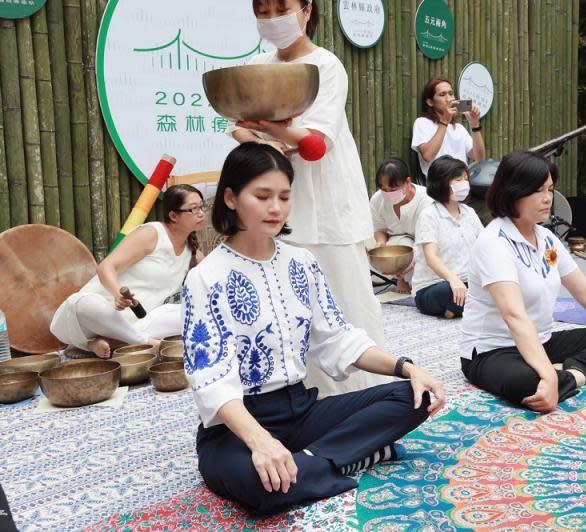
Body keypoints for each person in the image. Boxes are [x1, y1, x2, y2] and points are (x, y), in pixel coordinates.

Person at [182, 143, 445, 515]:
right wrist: (260, 441)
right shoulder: (205, 278)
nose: (276, 207)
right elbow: (208, 378)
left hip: (303, 410)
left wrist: (408, 368)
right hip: (237, 428)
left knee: (413, 397)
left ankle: (311, 464)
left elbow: (338, 338)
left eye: (285, 196)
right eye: (263, 196)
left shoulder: (302, 263)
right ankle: (348, 457)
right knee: (263, 487)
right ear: (230, 197)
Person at [228, 0, 388, 395]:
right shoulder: (255, 67)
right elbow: (237, 130)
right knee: (288, 311)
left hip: (327, 205)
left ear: (306, 10)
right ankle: (303, 402)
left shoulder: (326, 66)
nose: (272, 20)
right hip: (277, 203)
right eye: (262, 12)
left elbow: (316, 146)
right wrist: (266, 141)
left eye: (281, 9)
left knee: (346, 307)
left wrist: (273, 131)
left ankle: (365, 400)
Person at [460, 151, 586, 413]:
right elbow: (513, 315)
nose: (547, 198)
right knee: (531, 383)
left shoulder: (547, 238)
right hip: (492, 351)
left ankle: (566, 373)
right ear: (512, 192)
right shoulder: (493, 242)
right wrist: (548, 376)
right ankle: (575, 374)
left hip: (542, 342)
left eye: (550, 189)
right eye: (538, 191)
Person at [50, 185, 205, 358]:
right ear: (173, 216)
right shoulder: (151, 234)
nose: (201, 213)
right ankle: (147, 343)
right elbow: (106, 267)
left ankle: (109, 343)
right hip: (101, 315)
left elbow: (212, 279)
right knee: (82, 303)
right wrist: (118, 294)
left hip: (142, 322)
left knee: (194, 313)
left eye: (201, 206)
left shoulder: (191, 251)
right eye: (193, 209)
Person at [412, 156, 483, 318]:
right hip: (433, 287)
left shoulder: (469, 212)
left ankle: (455, 309)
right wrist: (453, 280)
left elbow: (484, 246)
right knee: (448, 291)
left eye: (466, 179)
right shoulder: (429, 215)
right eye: (458, 180)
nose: (464, 184)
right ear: (442, 184)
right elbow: (431, 257)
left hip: (467, 283)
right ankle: (461, 306)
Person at [369, 158, 432, 294]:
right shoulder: (377, 199)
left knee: (425, 259)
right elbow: (379, 229)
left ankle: (413, 280)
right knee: (395, 246)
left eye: (393, 189)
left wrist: (413, 260)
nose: (388, 193)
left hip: (426, 242)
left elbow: (428, 238)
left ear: (408, 182)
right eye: (384, 189)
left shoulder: (426, 200)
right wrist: (380, 242)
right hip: (400, 242)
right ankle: (402, 279)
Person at [411, 77, 486, 179]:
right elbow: (427, 156)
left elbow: (480, 158)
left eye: (451, 94)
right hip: (438, 185)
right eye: (442, 94)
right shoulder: (422, 123)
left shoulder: (459, 128)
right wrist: (445, 121)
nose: (449, 98)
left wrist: (474, 125)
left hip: (462, 183)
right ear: (430, 102)